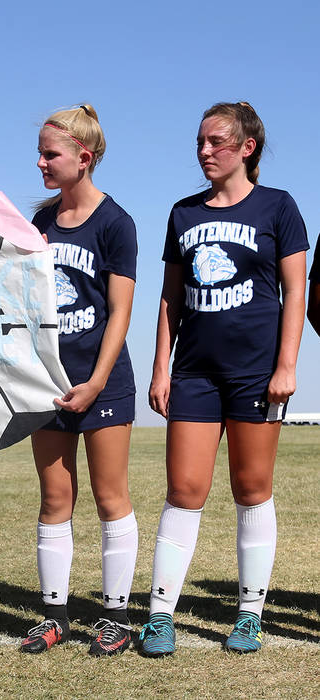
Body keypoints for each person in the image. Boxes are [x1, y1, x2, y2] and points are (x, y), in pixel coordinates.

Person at [141, 102, 308, 656]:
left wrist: (286, 366)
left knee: (252, 489)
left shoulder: (279, 208)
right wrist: (161, 364)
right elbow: (169, 298)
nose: (205, 152)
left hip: (256, 374)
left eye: (216, 142)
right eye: (200, 142)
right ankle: (160, 614)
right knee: (184, 491)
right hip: (194, 373)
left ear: (247, 148)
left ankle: (250, 615)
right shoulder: (183, 213)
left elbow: (295, 294)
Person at [19, 105, 139, 656]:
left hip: (103, 383)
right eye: (41, 152)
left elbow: (119, 313)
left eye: (51, 153)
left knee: (110, 496)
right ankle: (54, 616)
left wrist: (95, 381)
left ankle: (115, 617)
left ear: (83, 158)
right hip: (48, 383)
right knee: (54, 497)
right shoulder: (39, 224)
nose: (40, 161)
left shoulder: (116, 224)